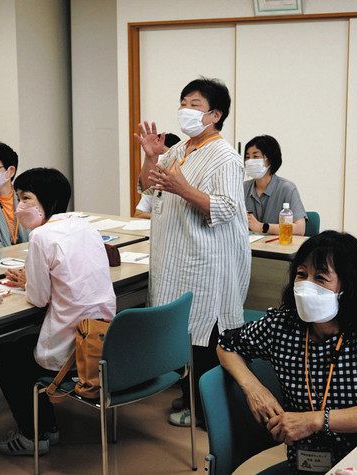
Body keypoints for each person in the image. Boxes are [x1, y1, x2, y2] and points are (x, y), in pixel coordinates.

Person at [218, 231, 357, 474]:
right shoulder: (283, 324)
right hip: (304, 463)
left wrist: (315, 420)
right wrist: (254, 389)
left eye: (320, 278)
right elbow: (226, 345)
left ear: (347, 286)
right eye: (301, 275)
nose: (306, 286)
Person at [136, 77, 251, 427]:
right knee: (184, 332)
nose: (185, 109)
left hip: (205, 262)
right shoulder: (179, 150)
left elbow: (227, 207)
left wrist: (184, 189)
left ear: (215, 115)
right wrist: (151, 157)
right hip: (176, 257)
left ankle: (205, 412)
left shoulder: (225, 157)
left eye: (195, 104)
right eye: (183, 103)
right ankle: (191, 397)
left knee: (205, 336)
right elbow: (148, 187)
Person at [0, 167, 116, 456]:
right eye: (19, 198)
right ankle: (48, 428)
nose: (20, 206)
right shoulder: (85, 226)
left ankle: (32, 435)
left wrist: (30, 282)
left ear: (47, 201)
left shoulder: (41, 236)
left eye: (26, 198)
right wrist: (34, 279)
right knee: (22, 348)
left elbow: (38, 299)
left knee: (8, 355)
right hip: (101, 341)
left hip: (70, 350)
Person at [243, 135, 306, 236]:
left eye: (256, 156)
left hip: (277, 245)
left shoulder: (287, 188)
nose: (250, 161)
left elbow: (300, 229)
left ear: (269, 159)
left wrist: (262, 227)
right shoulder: (242, 188)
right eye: (247, 157)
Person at [133, 133, 181, 219]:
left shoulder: (186, 183)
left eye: (161, 153)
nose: (157, 158)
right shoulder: (155, 185)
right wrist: (161, 218)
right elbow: (138, 214)